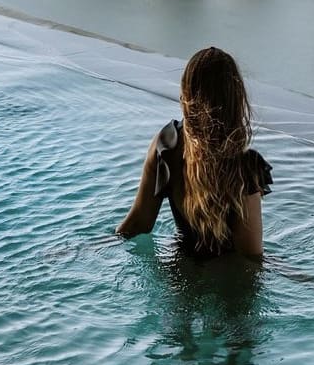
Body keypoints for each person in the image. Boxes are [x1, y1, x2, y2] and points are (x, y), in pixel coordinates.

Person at [116, 47, 271, 259]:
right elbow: (251, 257)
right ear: (236, 101)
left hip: (179, 278)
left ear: (186, 95)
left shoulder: (166, 145)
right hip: (227, 285)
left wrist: (92, 245)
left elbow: (137, 224)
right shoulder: (245, 167)